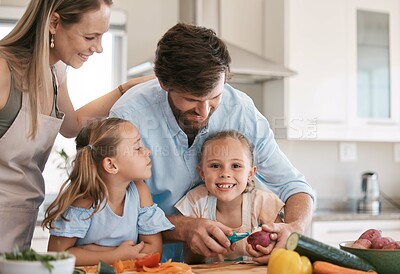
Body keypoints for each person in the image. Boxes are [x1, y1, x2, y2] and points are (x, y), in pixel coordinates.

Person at [110, 22, 315, 263]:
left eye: (215, 96)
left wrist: (295, 227)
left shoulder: (241, 110)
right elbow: (113, 212)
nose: (204, 111)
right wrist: (181, 228)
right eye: (191, 99)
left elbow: (293, 185)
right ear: (164, 84)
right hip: (150, 263)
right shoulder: (129, 116)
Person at [0, 0, 153, 252]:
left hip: (20, 221)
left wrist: (125, 89)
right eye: (90, 36)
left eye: (102, 36)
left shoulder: (55, 71)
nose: (99, 48)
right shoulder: (3, 70)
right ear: (54, 23)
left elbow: (72, 126)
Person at [41, 118, 174, 266]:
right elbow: (57, 255)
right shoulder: (86, 201)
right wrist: (116, 255)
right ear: (111, 165)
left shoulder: (140, 192)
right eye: (137, 148)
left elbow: (154, 251)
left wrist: (93, 251)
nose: (147, 151)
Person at [175, 130, 285, 263]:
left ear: (250, 173)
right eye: (215, 166)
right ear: (202, 173)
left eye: (236, 166)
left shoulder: (263, 203)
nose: (225, 173)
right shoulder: (195, 202)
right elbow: (190, 261)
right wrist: (205, 246)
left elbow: (282, 249)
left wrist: (267, 252)